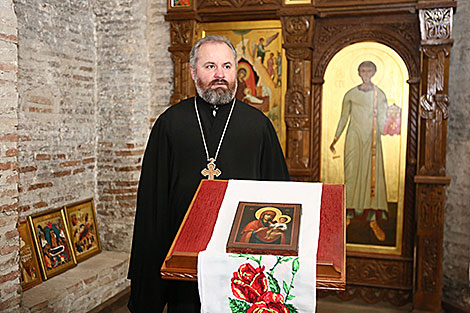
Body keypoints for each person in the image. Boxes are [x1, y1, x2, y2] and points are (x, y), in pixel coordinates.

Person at [127, 35, 289, 313]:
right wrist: (149, 285)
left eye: (227, 66)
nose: (220, 75)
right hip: (183, 256)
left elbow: (280, 197)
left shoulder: (259, 126)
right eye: (210, 66)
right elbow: (152, 204)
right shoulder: (169, 124)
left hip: (242, 260)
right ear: (193, 72)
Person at [329, 61, 389, 242]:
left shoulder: (380, 94)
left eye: (369, 70)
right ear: (358, 72)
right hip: (353, 138)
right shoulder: (351, 94)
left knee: (372, 178)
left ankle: (372, 220)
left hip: (372, 140)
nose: (366, 73)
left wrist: (388, 121)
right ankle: (346, 217)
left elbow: (385, 122)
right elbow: (343, 118)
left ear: (374, 72)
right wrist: (336, 138)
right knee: (352, 175)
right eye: (363, 70)